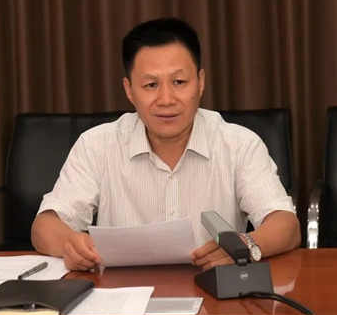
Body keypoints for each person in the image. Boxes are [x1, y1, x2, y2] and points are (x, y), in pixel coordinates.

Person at [32, 18, 300, 271]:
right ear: (129, 89)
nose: (166, 99)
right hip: (123, 294)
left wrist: (245, 246)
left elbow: (286, 225)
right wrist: (71, 245)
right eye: (150, 85)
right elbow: (44, 226)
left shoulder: (239, 145)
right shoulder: (96, 146)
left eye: (179, 82)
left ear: (201, 82)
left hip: (214, 290)